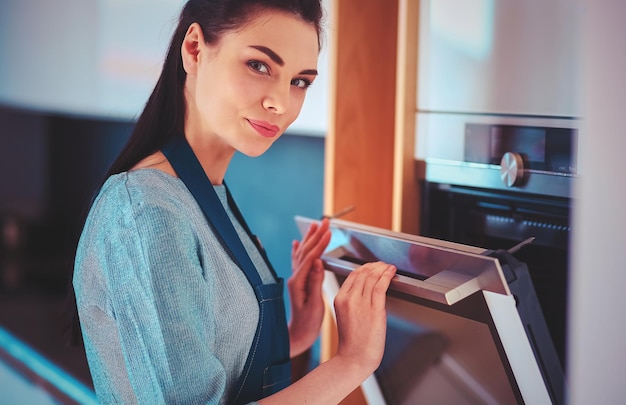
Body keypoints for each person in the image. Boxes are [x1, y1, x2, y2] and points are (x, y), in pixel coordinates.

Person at [70, 0, 397, 403]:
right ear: (194, 49)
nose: (280, 102)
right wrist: (353, 361)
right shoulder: (148, 209)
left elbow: (215, 369)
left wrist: (295, 333)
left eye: (300, 81)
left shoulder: (207, 193)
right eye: (259, 66)